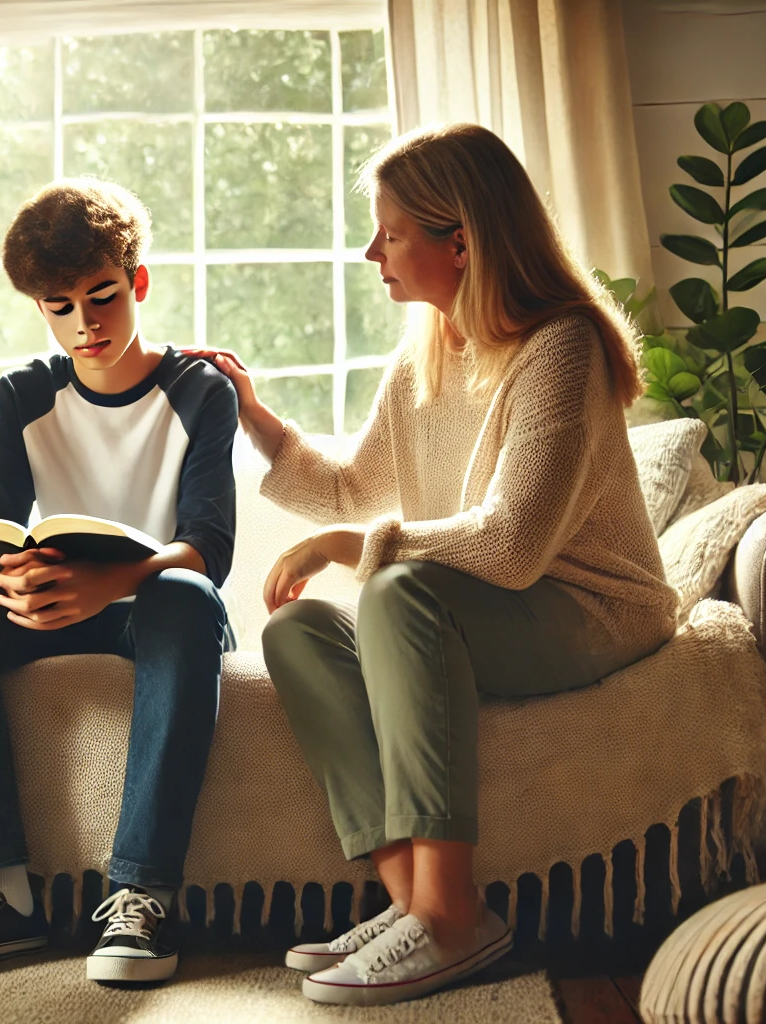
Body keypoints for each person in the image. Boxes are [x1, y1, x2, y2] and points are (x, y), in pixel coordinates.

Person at [189, 123, 677, 1007]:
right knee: (298, 629)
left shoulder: (560, 346)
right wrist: (252, 417)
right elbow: (348, 489)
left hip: (591, 611)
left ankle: (455, 916)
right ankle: (413, 902)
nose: (370, 249)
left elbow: (512, 546)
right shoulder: (425, 355)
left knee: (401, 589)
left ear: (462, 238)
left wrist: (358, 549)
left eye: (391, 231)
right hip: (491, 612)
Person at [0, 178, 236, 985]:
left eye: (103, 297)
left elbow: (207, 550)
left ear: (137, 282)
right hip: (55, 612)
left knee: (185, 595)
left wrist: (107, 584)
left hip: (159, 610)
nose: (86, 323)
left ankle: (141, 897)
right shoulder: (20, 395)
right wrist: (20, 580)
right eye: (60, 306)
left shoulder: (198, 392)